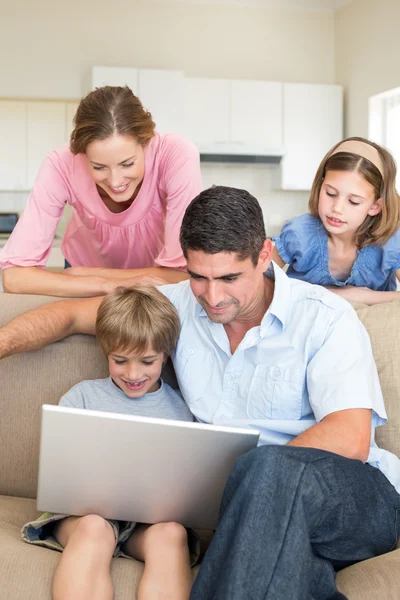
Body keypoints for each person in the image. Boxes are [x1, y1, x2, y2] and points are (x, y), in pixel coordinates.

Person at [1, 185, 400, 599]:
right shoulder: (176, 307)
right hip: (260, 523)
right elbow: (66, 317)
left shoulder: (324, 318)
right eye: (198, 277)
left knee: (264, 468)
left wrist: (241, 490)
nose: (212, 297)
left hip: (354, 500)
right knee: (291, 574)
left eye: (229, 278)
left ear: (264, 255)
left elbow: (351, 437)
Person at [22, 285, 197, 600]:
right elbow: (59, 467)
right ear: (105, 351)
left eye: (147, 361)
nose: (132, 373)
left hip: (146, 523)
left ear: (166, 356)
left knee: (172, 533)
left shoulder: (180, 409)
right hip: (82, 516)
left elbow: (186, 482)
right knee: (94, 528)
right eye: (120, 360)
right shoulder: (83, 396)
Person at [0, 86, 202, 298]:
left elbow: (186, 274)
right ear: (83, 154)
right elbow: (14, 277)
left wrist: (85, 274)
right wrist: (108, 284)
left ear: (146, 142)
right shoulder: (61, 164)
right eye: (99, 167)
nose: (115, 181)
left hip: (101, 275)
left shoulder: (176, 155)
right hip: (85, 276)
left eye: (127, 164)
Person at [272, 137, 400, 304]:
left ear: (375, 206)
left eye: (353, 201)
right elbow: (255, 283)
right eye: (331, 193)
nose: (337, 208)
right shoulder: (299, 233)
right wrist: (332, 293)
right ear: (320, 186)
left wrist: (360, 296)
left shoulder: (390, 240)